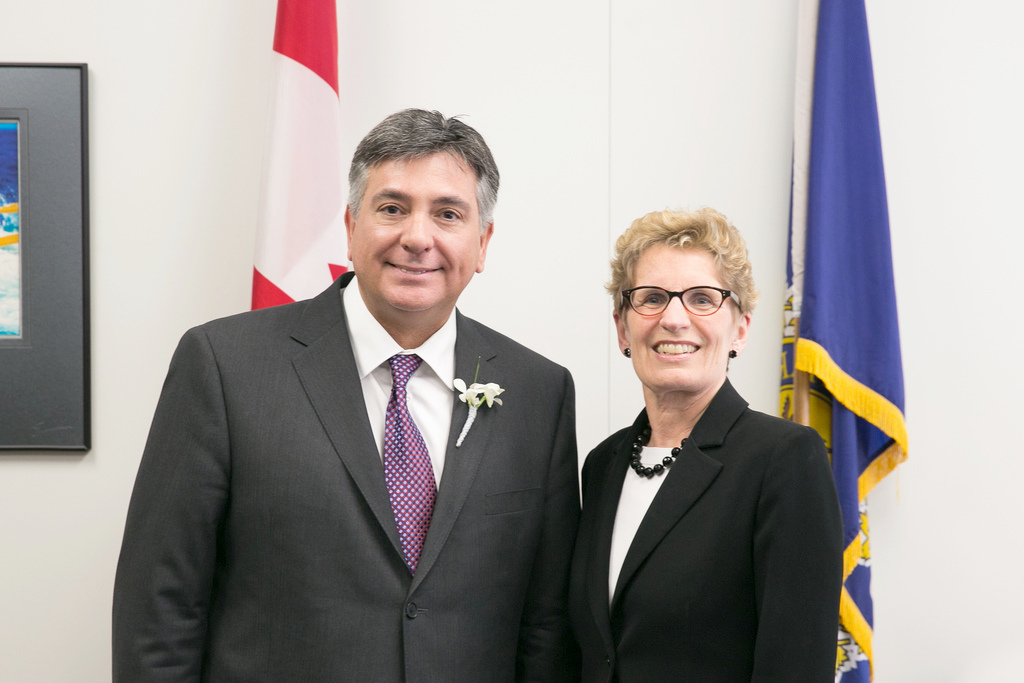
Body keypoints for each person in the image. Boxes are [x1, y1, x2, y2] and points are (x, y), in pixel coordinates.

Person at [113, 109, 580, 682]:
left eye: (448, 214)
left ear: (481, 244)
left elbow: (547, 625)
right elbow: (160, 608)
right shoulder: (225, 366)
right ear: (350, 227)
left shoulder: (540, 393)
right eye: (392, 208)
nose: (417, 237)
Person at [568, 208, 843, 682]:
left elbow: (796, 668)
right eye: (651, 298)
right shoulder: (603, 464)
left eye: (702, 299)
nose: (674, 319)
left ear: (739, 329)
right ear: (622, 329)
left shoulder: (784, 460)